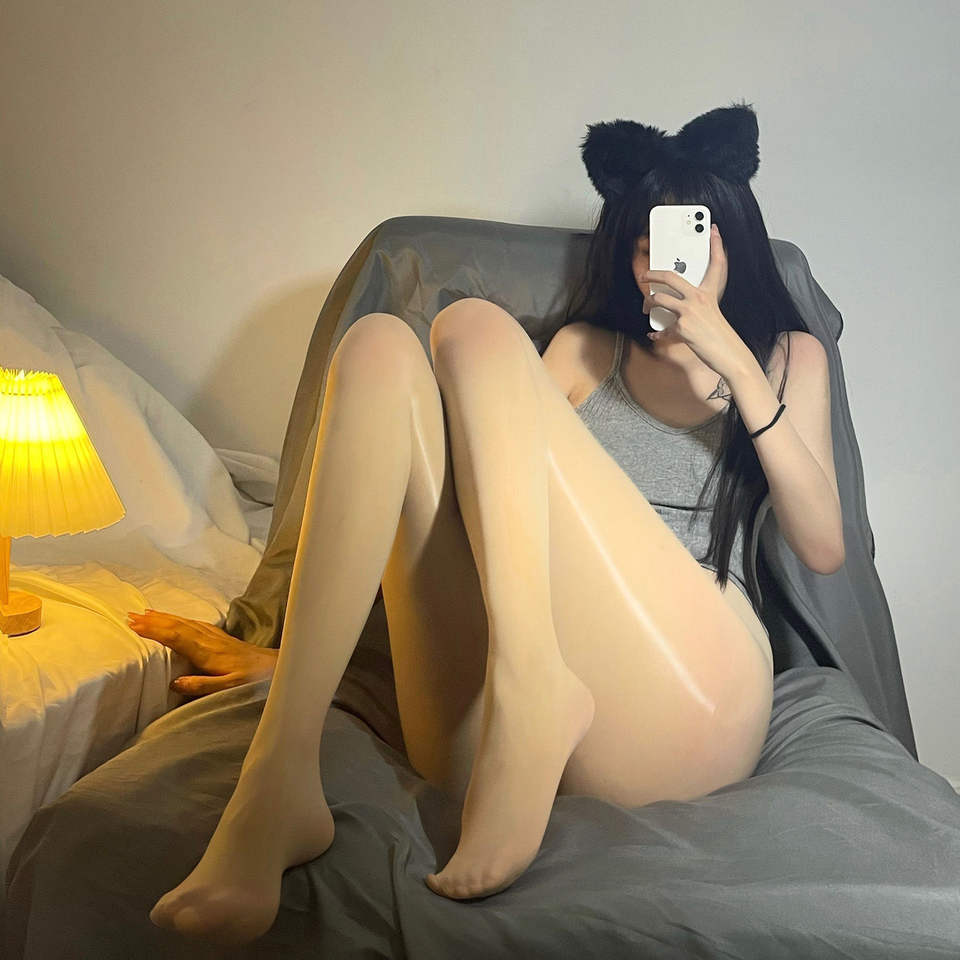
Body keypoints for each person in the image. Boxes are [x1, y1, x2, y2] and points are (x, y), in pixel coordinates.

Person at [129, 101, 844, 946]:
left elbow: (821, 546)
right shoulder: (583, 351)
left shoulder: (786, 358)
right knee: (379, 347)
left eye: (691, 238)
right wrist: (302, 667)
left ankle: (533, 688)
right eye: (645, 242)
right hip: (505, 736)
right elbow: (481, 534)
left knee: (471, 326)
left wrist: (730, 357)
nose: (667, 262)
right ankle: (279, 779)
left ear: (731, 243)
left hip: (693, 702)